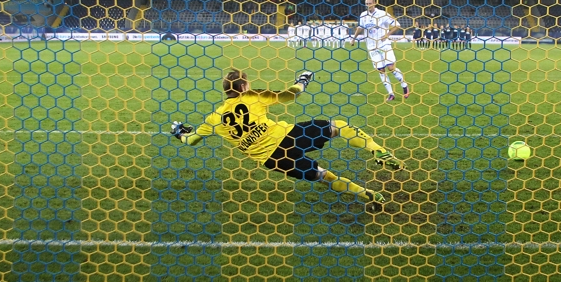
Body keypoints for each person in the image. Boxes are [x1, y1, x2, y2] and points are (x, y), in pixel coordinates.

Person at [171, 69, 402, 204]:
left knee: (323, 175)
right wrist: (302, 81)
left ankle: (367, 194)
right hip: (286, 137)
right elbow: (289, 96)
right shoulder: (252, 96)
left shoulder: (215, 118)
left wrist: (180, 133)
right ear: (242, 86)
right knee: (338, 126)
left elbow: (191, 141)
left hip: (271, 160)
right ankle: (376, 150)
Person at [352, 0, 410, 101]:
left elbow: (397, 25)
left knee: (391, 68)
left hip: (384, 45)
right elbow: (360, 27)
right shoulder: (363, 15)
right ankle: (391, 94)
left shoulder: (382, 14)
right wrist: (353, 39)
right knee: (381, 70)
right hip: (371, 47)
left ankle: (404, 85)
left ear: (374, 3)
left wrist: (387, 34)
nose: (368, 6)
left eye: (370, 3)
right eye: (367, 4)